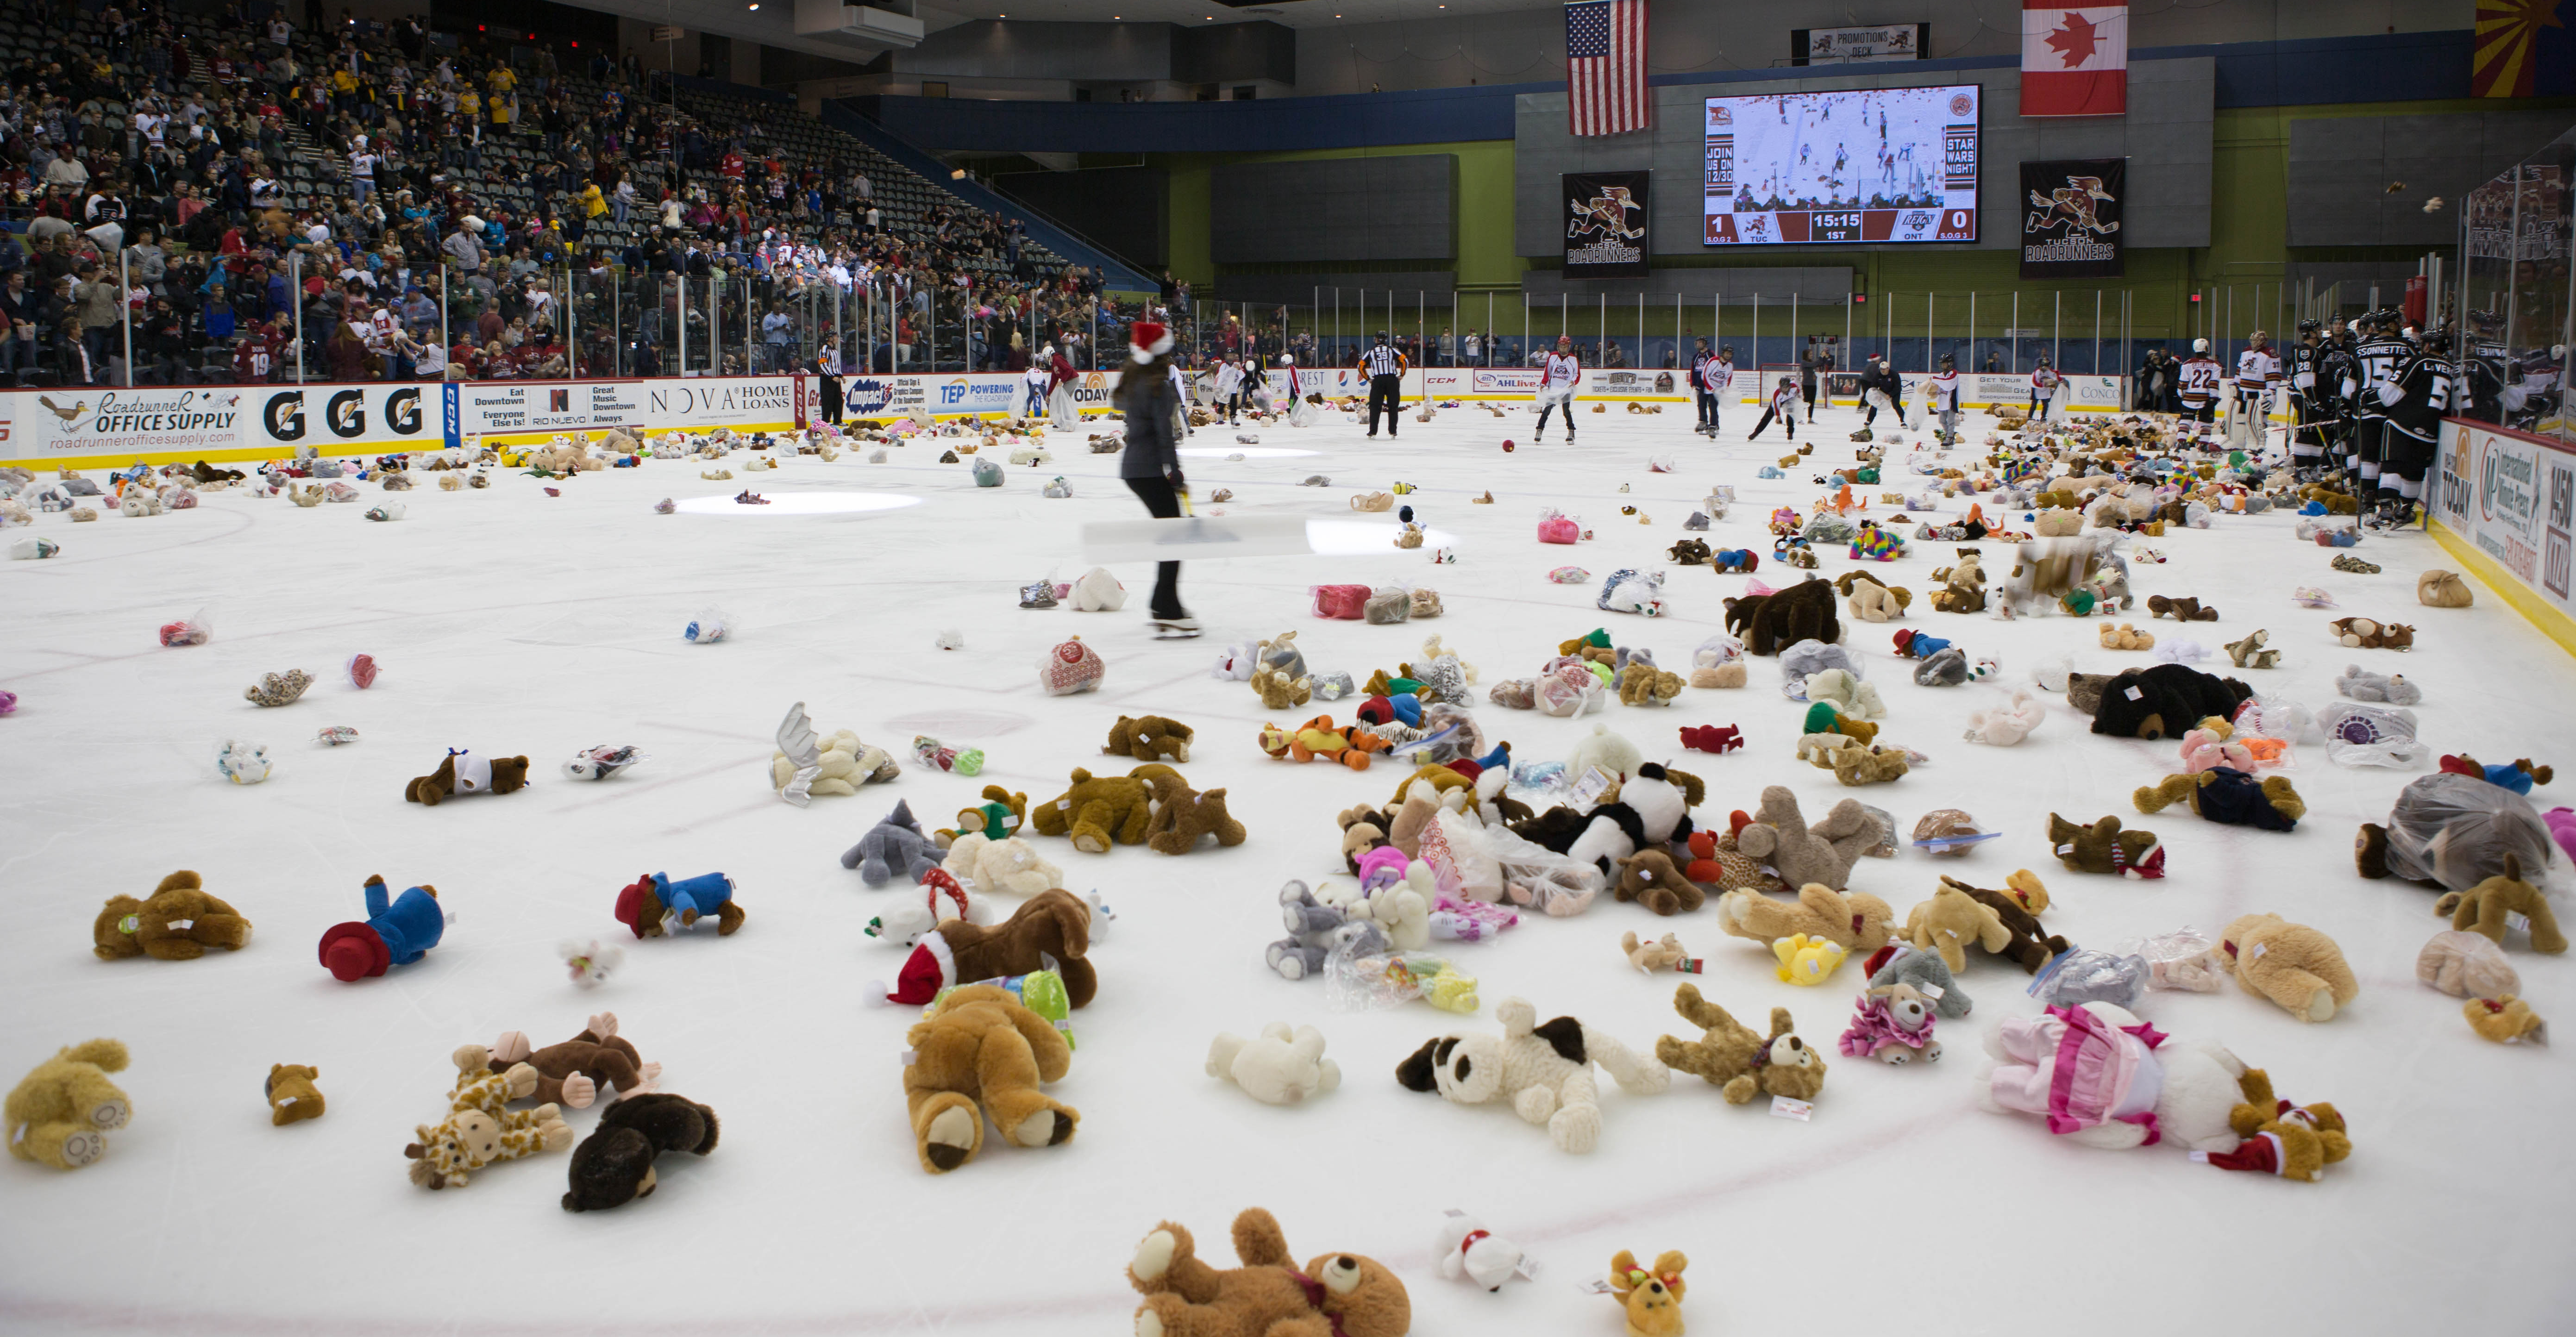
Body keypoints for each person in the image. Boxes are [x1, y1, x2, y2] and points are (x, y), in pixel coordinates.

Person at [1117, 320, 1197, 637]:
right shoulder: (1156, 386)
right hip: (1148, 469)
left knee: (1170, 536)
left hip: (1135, 469)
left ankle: (1165, 603)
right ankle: (1166, 607)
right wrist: (1174, 472)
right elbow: (1165, 433)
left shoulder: (1134, 380)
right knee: (1174, 537)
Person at [2230, 329, 2280, 454]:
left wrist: (2271, 391)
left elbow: (2274, 375)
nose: (2254, 343)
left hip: (2260, 392)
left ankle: (2259, 444)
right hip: (2244, 391)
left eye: (2257, 340)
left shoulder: (2270, 354)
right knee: (2240, 417)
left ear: (2264, 341)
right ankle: (2240, 443)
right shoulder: (2246, 351)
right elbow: (2240, 369)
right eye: (2253, 340)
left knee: (2259, 420)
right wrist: (2236, 383)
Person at [1533, 335, 1582, 441]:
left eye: (1565, 347)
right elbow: (1548, 372)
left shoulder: (1573, 359)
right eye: (1561, 347)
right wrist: (1544, 383)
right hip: (1554, 389)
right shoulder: (1553, 357)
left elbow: (1577, 374)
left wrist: (1573, 382)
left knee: (1566, 411)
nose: (1563, 349)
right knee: (1547, 410)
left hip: (1566, 389)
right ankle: (1540, 429)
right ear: (1558, 347)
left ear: (1569, 347)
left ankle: (1571, 431)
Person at [2176, 338, 2224, 445]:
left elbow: (2183, 383)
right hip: (2206, 399)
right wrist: (2214, 398)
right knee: (2206, 424)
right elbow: (2214, 383)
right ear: (2207, 349)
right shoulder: (2216, 365)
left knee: (2185, 422)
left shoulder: (2187, 364)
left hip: (2189, 398)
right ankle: (2203, 445)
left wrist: (2182, 395)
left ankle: (2181, 443)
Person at [1360, 331, 1404, 438]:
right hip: (1392, 380)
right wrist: (1402, 375)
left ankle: (1373, 432)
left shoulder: (1371, 351)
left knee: (1375, 407)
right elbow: (1404, 361)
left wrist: (1368, 379)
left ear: (1376, 339)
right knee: (1393, 406)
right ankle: (1393, 431)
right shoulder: (1392, 350)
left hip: (1378, 381)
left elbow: (1360, 366)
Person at [1859, 353, 1905, 432]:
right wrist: (1876, 395)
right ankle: (1869, 421)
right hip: (1883, 391)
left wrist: (1890, 395)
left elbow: (1898, 387)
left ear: (1888, 368)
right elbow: (1874, 386)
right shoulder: (1878, 375)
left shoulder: (1895, 375)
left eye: (1884, 369)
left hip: (1895, 391)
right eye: (1881, 369)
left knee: (1896, 405)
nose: (1882, 371)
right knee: (1875, 404)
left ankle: (1903, 421)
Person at [1748, 373, 1798, 441]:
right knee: (1767, 417)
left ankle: (1790, 433)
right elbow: (1776, 405)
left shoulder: (1794, 387)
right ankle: (1756, 432)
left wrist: (1799, 403)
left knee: (1790, 415)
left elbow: (1799, 395)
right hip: (1779, 401)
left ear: (1790, 386)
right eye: (1783, 387)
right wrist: (1778, 416)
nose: (1785, 389)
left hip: (1790, 400)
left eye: (1786, 387)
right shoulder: (1777, 393)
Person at [1925, 353, 1962, 445]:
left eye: (1944, 363)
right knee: (1942, 421)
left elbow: (1948, 385)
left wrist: (1934, 379)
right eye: (1942, 363)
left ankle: (1949, 437)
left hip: (1951, 402)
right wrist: (1933, 392)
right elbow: (1940, 388)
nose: (1943, 365)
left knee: (1950, 421)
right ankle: (1949, 435)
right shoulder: (1941, 375)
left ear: (1950, 364)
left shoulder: (1954, 374)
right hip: (1942, 402)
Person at [1688, 337, 1719, 436]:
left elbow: (1716, 367)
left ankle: (1715, 425)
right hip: (1700, 386)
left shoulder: (1711, 354)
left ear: (1705, 344)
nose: (1698, 344)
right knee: (1701, 406)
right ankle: (1704, 423)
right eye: (1697, 343)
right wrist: (1693, 384)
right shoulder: (1696, 356)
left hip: (1710, 385)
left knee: (1713, 406)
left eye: (1700, 343)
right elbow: (1693, 370)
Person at [1212, 352, 1244, 424]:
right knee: (1222, 403)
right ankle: (1221, 417)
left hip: (1233, 389)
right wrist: (1218, 386)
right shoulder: (1223, 365)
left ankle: (1233, 418)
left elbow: (1242, 376)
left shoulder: (1237, 364)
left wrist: (1239, 370)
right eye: (1228, 355)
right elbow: (1220, 376)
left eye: (1231, 355)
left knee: (1234, 404)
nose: (1230, 357)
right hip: (1225, 388)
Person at [2027, 354, 2058, 423]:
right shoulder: (2037, 372)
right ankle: (2030, 417)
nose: (2048, 368)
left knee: (2046, 405)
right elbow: (2035, 382)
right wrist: (2043, 385)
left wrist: (2054, 382)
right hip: (2037, 390)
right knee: (2034, 405)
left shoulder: (2048, 371)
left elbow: (2054, 377)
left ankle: (2043, 417)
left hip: (2045, 391)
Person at [817, 356, 842, 425]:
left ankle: (838, 421)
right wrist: (832, 376)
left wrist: (841, 376)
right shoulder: (825, 349)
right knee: (828, 400)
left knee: (838, 400)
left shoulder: (834, 350)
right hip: (827, 378)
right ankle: (826, 421)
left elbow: (837, 366)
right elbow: (822, 364)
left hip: (836, 377)